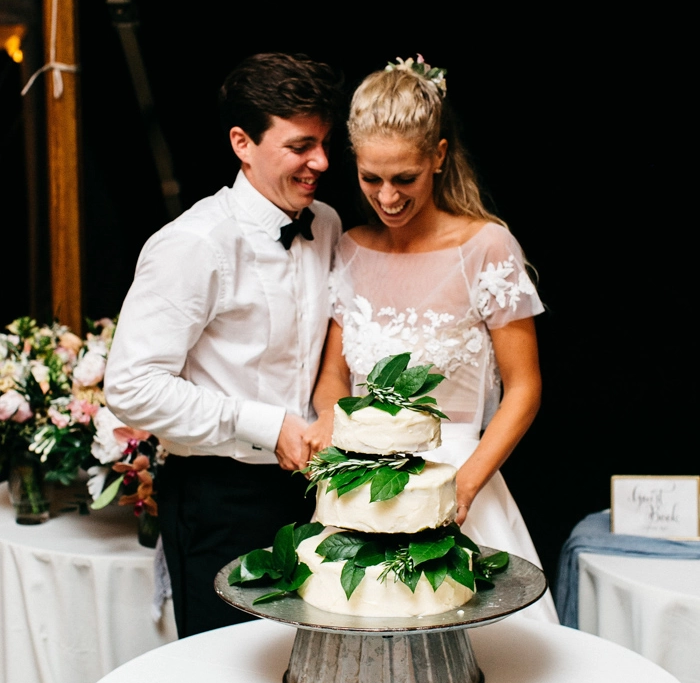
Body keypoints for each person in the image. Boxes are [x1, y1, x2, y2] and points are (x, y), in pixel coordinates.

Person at [304, 58, 559, 622]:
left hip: (458, 479)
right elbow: (333, 377)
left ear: (438, 157)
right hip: (362, 490)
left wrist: (461, 488)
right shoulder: (349, 247)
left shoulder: (487, 247)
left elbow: (525, 388)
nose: (387, 197)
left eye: (404, 179)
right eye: (371, 179)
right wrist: (329, 420)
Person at [105, 52, 343, 637]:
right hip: (220, 499)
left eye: (325, 143)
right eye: (300, 146)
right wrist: (266, 423)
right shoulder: (193, 243)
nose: (322, 162)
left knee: (308, 674)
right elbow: (131, 387)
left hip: (313, 495)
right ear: (242, 142)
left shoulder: (328, 223)